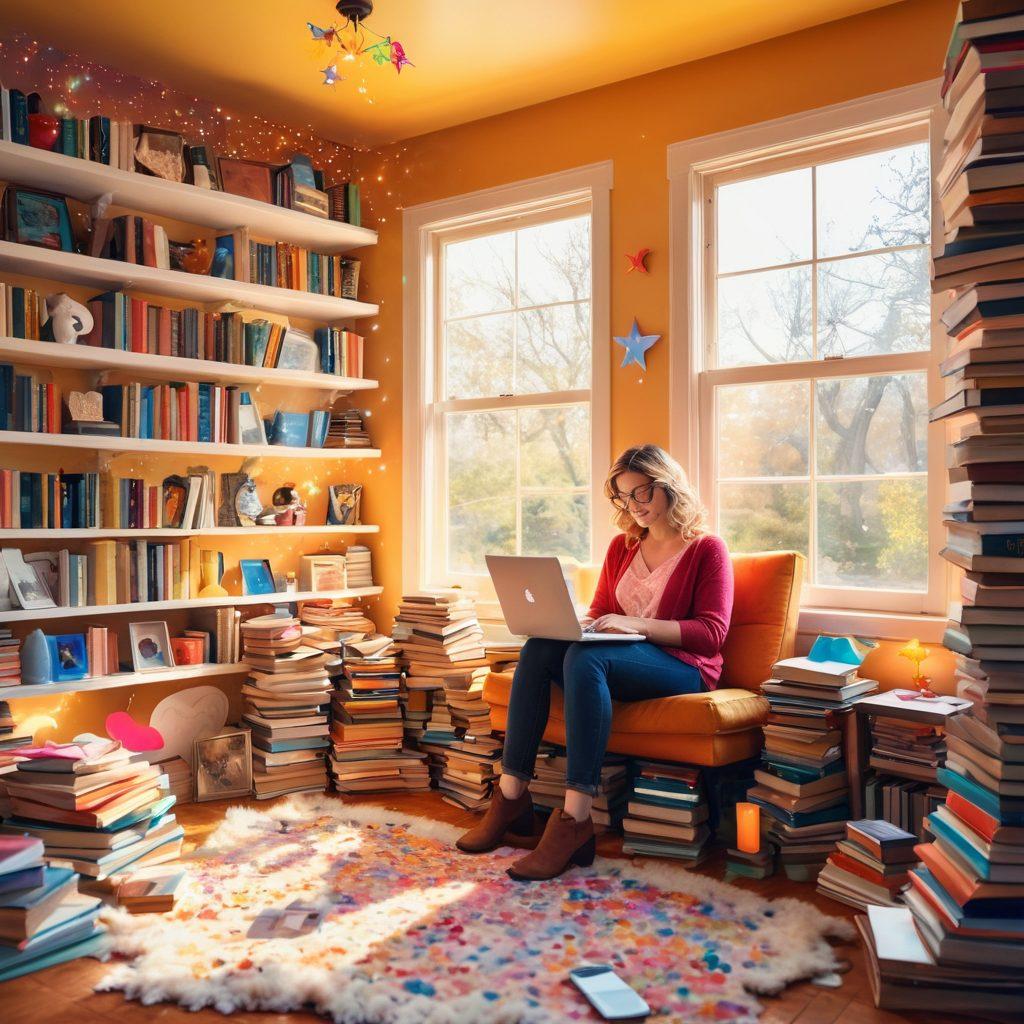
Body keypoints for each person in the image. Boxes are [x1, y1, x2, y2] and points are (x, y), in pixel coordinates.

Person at [456, 444, 734, 880]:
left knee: (586, 661)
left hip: (682, 665)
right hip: (623, 659)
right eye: (624, 497)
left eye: (641, 493)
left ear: (668, 486)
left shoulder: (706, 549)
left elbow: (710, 634)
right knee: (540, 648)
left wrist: (634, 624)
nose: (634, 506)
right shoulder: (623, 547)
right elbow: (602, 607)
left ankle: (574, 820)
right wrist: (576, 625)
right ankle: (511, 799)